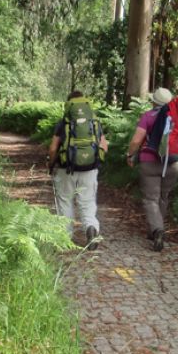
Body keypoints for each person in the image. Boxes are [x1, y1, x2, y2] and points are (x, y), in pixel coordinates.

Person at [125, 87, 178, 251]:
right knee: (163, 196)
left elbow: (136, 141)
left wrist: (130, 155)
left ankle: (157, 230)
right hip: (174, 164)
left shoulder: (148, 116)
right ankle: (157, 229)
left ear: (153, 101)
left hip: (150, 161)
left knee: (151, 199)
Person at [47, 90, 108, 251]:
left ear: (68, 105)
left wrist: (50, 164)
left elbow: (53, 148)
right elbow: (104, 146)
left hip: (65, 168)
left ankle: (65, 237)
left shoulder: (63, 123)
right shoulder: (94, 122)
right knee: (87, 201)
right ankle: (91, 227)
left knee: (65, 201)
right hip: (90, 169)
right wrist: (93, 159)